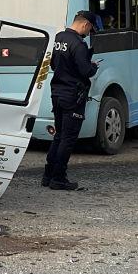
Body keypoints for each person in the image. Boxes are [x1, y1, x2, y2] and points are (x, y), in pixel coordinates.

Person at [43, 11, 99, 191]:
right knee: (68, 138)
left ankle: (48, 175)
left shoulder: (58, 38)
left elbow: (53, 64)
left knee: (59, 135)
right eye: (90, 29)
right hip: (72, 95)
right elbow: (85, 71)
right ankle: (59, 178)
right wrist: (93, 66)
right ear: (86, 25)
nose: (88, 33)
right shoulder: (78, 44)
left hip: (57, 92)